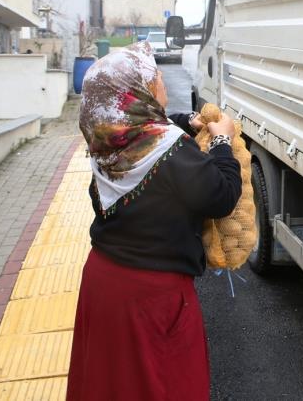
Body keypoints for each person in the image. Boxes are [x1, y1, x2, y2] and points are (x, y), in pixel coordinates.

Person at [67, 42, 241, 400]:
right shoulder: (169, 149)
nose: (161, 81)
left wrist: (186, 122)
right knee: (162, 385)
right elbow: (221, 196)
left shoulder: (106, 135)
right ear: (138, 92)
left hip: (104, 283)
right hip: (152, 300)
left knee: (110, 385)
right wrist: (223, 141)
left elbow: (151, 131)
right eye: (155, 77)